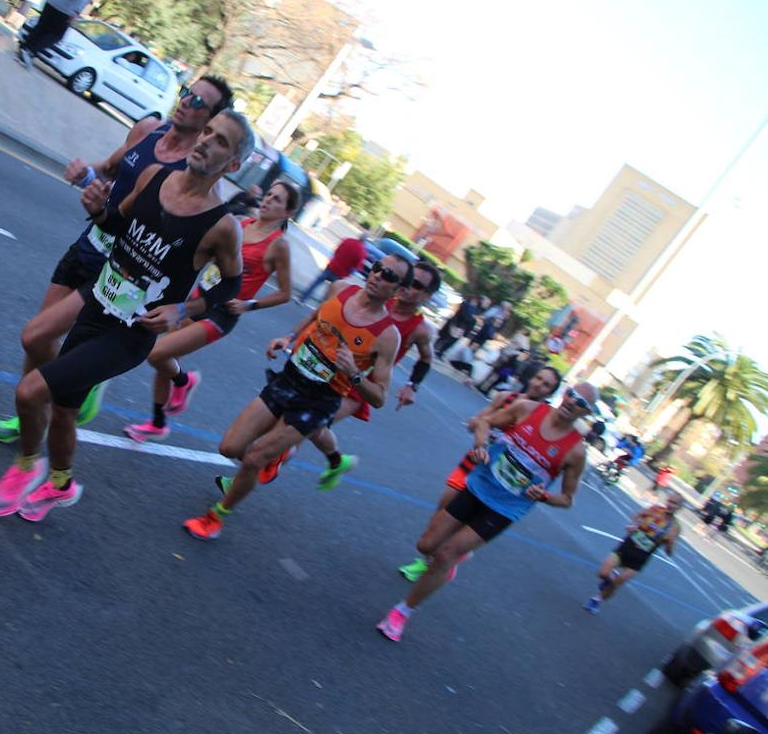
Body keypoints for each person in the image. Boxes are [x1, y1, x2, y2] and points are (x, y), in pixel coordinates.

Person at [0, 112, 255, 521]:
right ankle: (61, 484)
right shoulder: (155, 176)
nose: (207, 141)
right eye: (208, 131)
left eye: (221, 141)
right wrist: (97, 209)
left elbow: (231, 284)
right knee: (65, 412)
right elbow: (117, 222)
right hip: (97, 304)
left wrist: (182, 308)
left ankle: (26, 465)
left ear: (232, 165)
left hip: (130, 334)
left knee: (30, 392)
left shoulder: (222, 227)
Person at [0, 76, 233, 443]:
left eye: (199, 102)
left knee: (37, 333)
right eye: (186, 92)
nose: (186, 102)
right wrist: (86, 175)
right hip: (89, 242)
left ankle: (48, 404)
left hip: (119, 266)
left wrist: (181, 306)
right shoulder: (148, 130)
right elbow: (112, 168)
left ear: (211, 120)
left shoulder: (197, 176)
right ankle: (58, 394)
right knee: (37, 342)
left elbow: (189, 249)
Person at [180, 255, 409, 540]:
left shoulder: (388, 336)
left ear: (398, 291)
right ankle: (263, 466)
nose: (377, 275)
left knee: (253, 458)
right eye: (377, 268)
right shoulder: (340, 289)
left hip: (320, 400)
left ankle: (215, 518)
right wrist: (288, 337)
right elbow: (316, 318)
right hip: (290, 379)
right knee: (229, 447)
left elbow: (380, 398)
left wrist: (354, 373)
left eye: (388, 275)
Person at [377, 382, 594, 641]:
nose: (572, 402)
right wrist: (481, 443)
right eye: (572, 395)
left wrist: (546, 496)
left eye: (581, 403)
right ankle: (451, 558)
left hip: (505, 508)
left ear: (585, 413)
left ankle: (403, 611)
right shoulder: (528, 409)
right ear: (565, 394)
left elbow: (568, 499)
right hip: (479, 485)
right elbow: (485, 423)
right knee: (427, 546)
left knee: (445, 554)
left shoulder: (575, 452)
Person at [243, 260, 443, 491]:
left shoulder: (420, 330)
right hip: (324, 370)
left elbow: (426, 358)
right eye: (407, 280)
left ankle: (253, 471)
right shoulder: (375, 298)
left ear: (427, 296)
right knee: (308, 426)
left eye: (416, 284)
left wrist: (412, 385)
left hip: (359, 385)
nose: (408, 286)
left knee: (304, 426)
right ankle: (336, 460)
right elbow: (322, 316)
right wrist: (292, 338)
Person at [124, 181, 300, 442]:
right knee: (163, 357)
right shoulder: (239, 225)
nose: (268, 200)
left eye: (277, 200)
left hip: (222, 314)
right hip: (198, 300)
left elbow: (285, 293)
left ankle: (184, 382)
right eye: (269, 194)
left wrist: (248, 305)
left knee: (157, 353)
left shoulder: (278, 246)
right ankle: (158, 423)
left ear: (287, 212)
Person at [396, 364, 564, 581]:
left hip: (496, 483)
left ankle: (433, 562)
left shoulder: (543, 420)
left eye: (547, 384)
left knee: (460, 529)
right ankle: (445, 557)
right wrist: (481, 433)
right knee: (441, 515)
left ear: (551, 392)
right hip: (472, 464)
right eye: (539, 378)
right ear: (532, 378)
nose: (540, 385)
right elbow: (474, 423)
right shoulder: (505, 398)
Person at [584, 493, 683, 612]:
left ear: (679, 507)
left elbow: (669, 552)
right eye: (670, 501)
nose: (670, 505)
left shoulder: (675, 527)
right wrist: (634, 526)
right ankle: (609, 579)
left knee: (617, 584)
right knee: (603, 573)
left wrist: (670, 543)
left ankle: (597, 600)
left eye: (674, 503)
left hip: (640, 558)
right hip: (627, 546)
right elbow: (637, 515)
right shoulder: (656, 509)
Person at [297, 237, 366, 305]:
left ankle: (303, 299)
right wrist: (347, 274)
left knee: (316, 283)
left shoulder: (348, 240)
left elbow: (336, 251)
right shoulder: (362, 252)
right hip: (340, 274)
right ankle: (321, 309)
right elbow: (356, 267)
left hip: (332, 267)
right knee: (330, 293)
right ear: (364, 242)